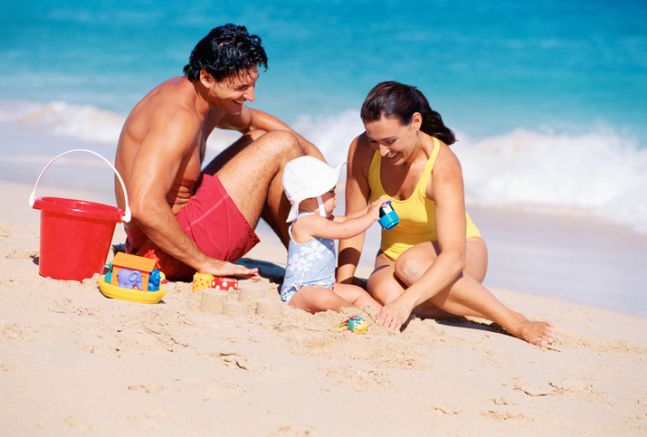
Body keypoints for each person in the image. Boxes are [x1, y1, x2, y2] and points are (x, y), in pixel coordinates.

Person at [337, 81, 553, 347]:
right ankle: (447, 302)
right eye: (373, 141)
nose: (382, 151)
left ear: (415, 122)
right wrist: (343, 283)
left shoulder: (442, 164)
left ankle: (514, 320)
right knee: (383, 290)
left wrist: (406, 302)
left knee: (411, 268)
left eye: (390, 141)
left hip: (459, 257)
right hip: (392, 259)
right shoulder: (360, 151)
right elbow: (353, 224)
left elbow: (454, 256)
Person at [114, 24, 324, 281]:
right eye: (241, 88)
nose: (251, 96)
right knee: (281, 144)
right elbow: (143, 205)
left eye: (253, 85)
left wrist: (311, 149)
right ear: (207, 77)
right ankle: (311, 270)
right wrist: (204, 263)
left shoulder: (204, 97)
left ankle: (307, 262)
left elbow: (253, 121)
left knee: (266, 140)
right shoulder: (177, 117)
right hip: (161, 253)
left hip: (172, 235)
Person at [280, 156, 385, 313]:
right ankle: (356, 313)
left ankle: (380, 316)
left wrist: (371, 209)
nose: (336, 196)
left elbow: (348, 219)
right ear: (310, 197)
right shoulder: (306, 222)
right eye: (330, 191)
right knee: (324, 298)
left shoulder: (323, 220)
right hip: (300, 292)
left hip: (327, 286)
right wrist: (370, 217)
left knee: (357, 293)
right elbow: (343, 231)